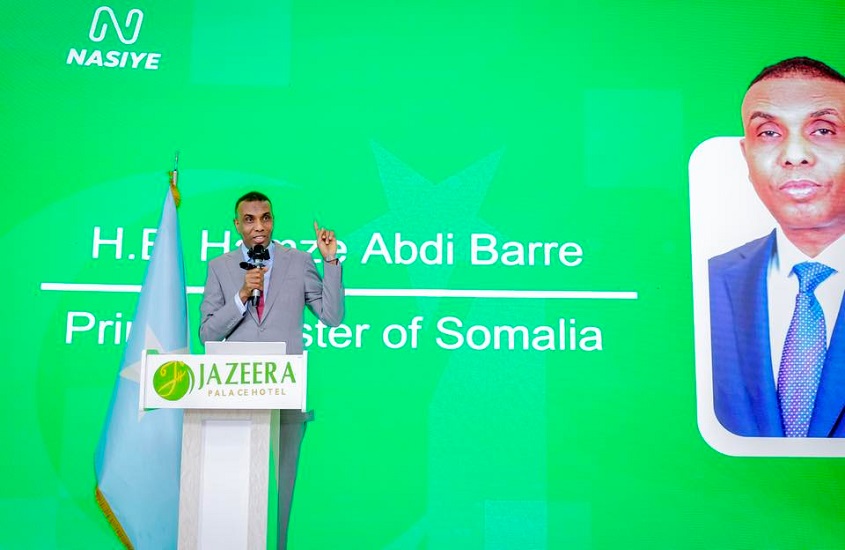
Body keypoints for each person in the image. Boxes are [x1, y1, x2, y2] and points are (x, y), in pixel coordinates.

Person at [199, 190, 345, 547]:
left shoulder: (298, 261)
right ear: (237, 225)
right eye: (249, 220)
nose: (259, 226)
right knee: (233, 497)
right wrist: (241, 297)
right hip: (234, 397)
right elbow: (207, 334)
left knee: (281, 497)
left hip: (285, 397)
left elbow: (332, 317)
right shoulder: (220, 267)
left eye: (265, 218)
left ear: (273, 220)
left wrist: (329, 262)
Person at [710, 57, 845, 438]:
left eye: (823, 130)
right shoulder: (705, 283)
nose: (794, 154)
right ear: (746, 156)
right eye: (768, 133)